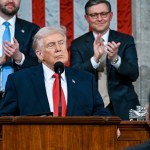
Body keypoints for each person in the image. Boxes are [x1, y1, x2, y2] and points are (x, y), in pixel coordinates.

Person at [0, 26, 110, 116]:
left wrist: (111, 126)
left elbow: (100, 112)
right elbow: (6, 117)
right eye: (51, 45)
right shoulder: (19, 81)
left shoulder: (85, 79)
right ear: (39, 54)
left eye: (61, 43)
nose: (58, 48)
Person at [70, 0, 140, 120]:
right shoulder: (77, 44)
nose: (99, 18)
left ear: (110, 15)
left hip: (125, 106)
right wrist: (95, 59)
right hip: (91, 107)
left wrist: (115, 59)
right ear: (87, 18)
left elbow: (134, 74)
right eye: (94, 15)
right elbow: (74, 77)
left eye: (104, 14)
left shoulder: (126, 40)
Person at [0, 0, 40, 98]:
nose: (11, 1)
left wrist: (19, 57)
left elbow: (39, 67)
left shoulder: (32, 30)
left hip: (20, 97)